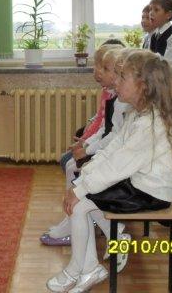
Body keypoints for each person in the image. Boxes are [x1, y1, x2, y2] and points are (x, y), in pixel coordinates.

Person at [46, 50, 172, 293]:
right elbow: (112, 151)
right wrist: (83, 180)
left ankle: (80, 269)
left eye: (123, 77)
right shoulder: (138, 114)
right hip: (140, 183)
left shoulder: (149, 124)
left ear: (143, 86)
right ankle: (88, 268)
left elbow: (118, 166)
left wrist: (80, 189)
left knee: (80, 204)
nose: (116, 81)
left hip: (151, 192)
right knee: (81, 201)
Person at [40, 43, 121, 246]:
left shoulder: (122, 100)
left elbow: (112, 135)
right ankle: (73, 219)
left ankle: (78, 221)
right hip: (102, 148)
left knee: (75, 167)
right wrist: (85, 143)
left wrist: (87, 148)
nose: (98, 72)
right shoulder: (110, 94)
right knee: (71, 164)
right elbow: (103, 126)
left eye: (104, 68)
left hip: (112, 156)